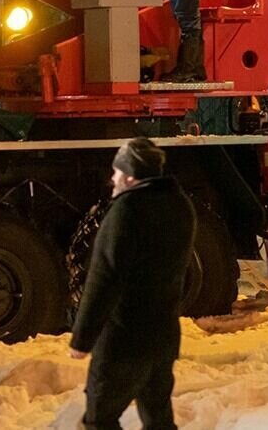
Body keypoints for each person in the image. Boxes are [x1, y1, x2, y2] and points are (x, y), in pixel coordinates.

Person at [69, 137, 195, 430]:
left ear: (129, 175)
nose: (112, 179)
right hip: (163, 338)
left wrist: (82, 339)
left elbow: (104, 280)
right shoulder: (181, 206)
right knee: (158, 419)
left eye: (116, 171)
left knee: (100, 419)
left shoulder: (126, 211)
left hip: (124, 341)